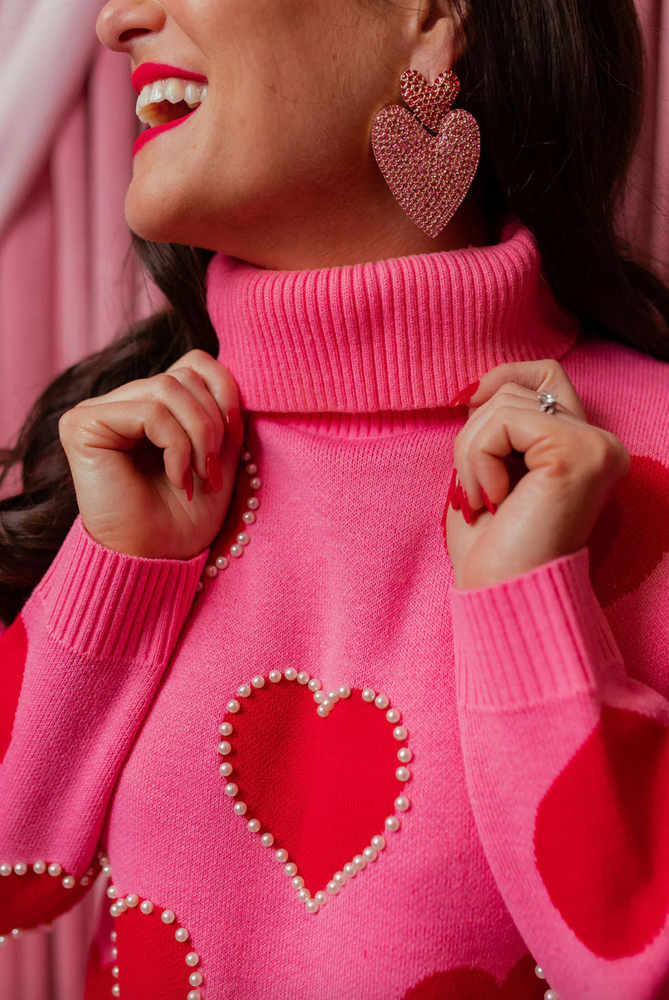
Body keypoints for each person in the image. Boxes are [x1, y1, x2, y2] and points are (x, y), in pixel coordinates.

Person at [1, 0, 669, 996]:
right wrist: (115, 580)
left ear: (432, 17)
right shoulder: (125, 465)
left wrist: (532, 612)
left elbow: (634, 955)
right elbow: (17, 876)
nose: (116, 20)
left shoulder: (644, 455)